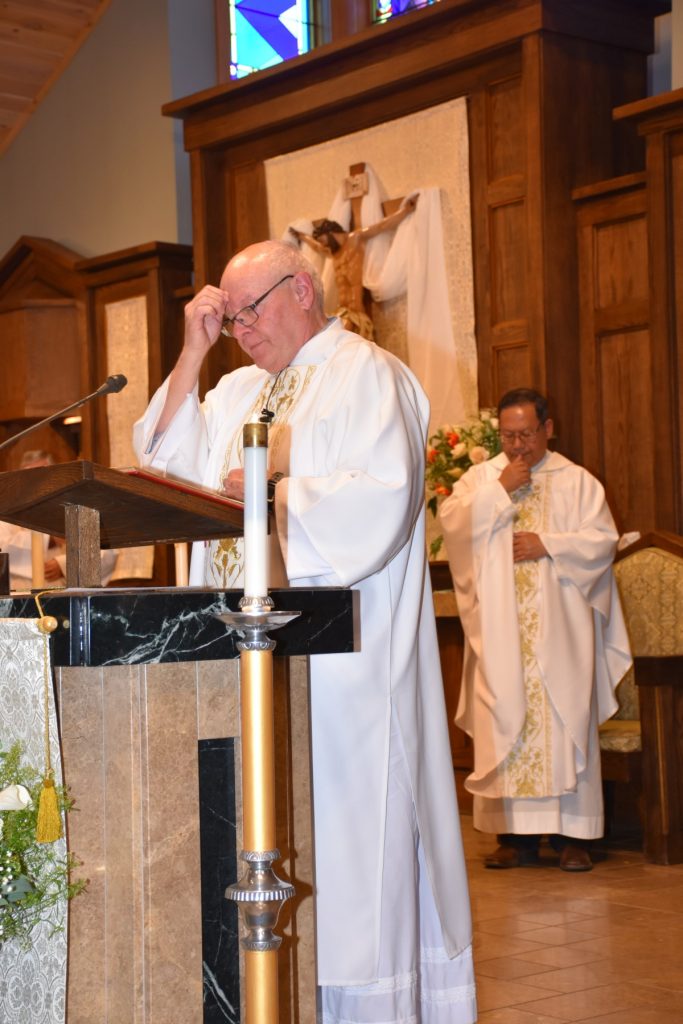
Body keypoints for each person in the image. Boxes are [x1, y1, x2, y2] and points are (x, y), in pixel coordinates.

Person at [133, 240, 476, 1023]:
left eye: (247, 312)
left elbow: (382, 502)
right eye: (228, 319)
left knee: (352, 857)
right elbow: (158, 464)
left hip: (342, 670)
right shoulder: (235, 390)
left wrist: (277, 490)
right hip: (239, 661)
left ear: (300, 290)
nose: (240, 331)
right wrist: (192, 352)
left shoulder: (369, 375)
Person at [439, 388, 632, 872]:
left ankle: (573, 837)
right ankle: (514, 838)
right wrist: (497, 492)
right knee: (503, 715)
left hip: (561, 631)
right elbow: (452, 526)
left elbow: (601, 541)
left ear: (548, 428)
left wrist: (547, 544)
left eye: (525, 434)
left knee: (564, 717)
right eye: (508, 436)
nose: (517, 446)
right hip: (500, 631)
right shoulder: (483, 479)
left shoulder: (578, 482)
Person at [288, 194, 418, 339]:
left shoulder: (355, 239)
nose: (324, 246)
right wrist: (302, 236)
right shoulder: (333, 253)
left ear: (331, 233)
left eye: (324, 241)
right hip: (342, 312)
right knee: (324, 336)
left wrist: (405, 211)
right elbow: (316, 246)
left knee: (336, 339)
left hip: (356, 313)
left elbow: (381, 226)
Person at [0, 450, 118, 590]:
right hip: (20, 592)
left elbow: (106, 553)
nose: (34, 482)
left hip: (64, 593)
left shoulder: (74, 506)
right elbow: (2, 548)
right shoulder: (8, 510)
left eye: (40, 475)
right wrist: (49, 539)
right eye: (28, 477)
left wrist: (63, 565)